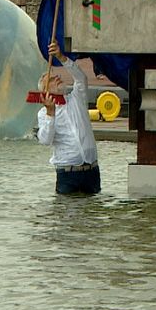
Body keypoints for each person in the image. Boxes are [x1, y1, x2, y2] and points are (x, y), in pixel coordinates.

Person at [38, 40, 100, 195]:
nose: (58, 78)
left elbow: (81, 78)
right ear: (45, 91)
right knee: (66, 214)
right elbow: (45, 140)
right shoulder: (43, 113)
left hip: (91, 170)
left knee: (93, 213)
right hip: (67, 173)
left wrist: (61, 57)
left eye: (56, 76)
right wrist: (50, 113)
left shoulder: (77, 98)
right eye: (52, 80)